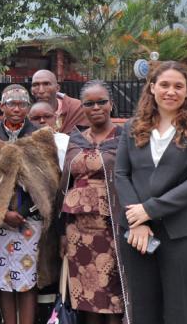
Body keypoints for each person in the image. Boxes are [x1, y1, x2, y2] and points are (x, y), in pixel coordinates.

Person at [113, 61, 187, 323]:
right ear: (152, 88)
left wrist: (148, 210)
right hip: (138, 236)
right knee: (145, 311)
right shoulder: (132, 127)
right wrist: (136, 221)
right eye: (164, 85)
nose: (170, 91)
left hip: (183, 235)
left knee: (183, 312)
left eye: (178, 86)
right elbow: (121, 175)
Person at [0, 84, 60, 324]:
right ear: (1, 106)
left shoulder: (40, 137)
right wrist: (1, 213)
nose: (17, 108)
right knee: (3, 280)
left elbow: (49, 182)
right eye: (11, 103)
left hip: (30, 221)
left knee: (27, 279)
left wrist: (25, 210)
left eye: (22, 104)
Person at [55, 81, 125, 323]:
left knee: (113, 298)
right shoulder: (75, 140)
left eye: (101, 102)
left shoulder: (125, 139)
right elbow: (65, 187)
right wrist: (62, 233)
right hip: (78, 234)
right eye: (89, 103)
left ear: (111, 104)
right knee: (85, 300)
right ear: (82, 107)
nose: (96, 107)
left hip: (111, 232)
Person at [31, 69, 88, 134]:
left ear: (57, 88)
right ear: (31, 90)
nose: (41, 91)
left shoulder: (77, 108)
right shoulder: (27, 113)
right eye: (35, 85)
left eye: (46, 84)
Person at [30, 100, 70, 169]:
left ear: (55, 118)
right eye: (36, 118)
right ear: (29, 120)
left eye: (47, 116)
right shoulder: (24, 143)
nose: (42, 121)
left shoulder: (67, 141)